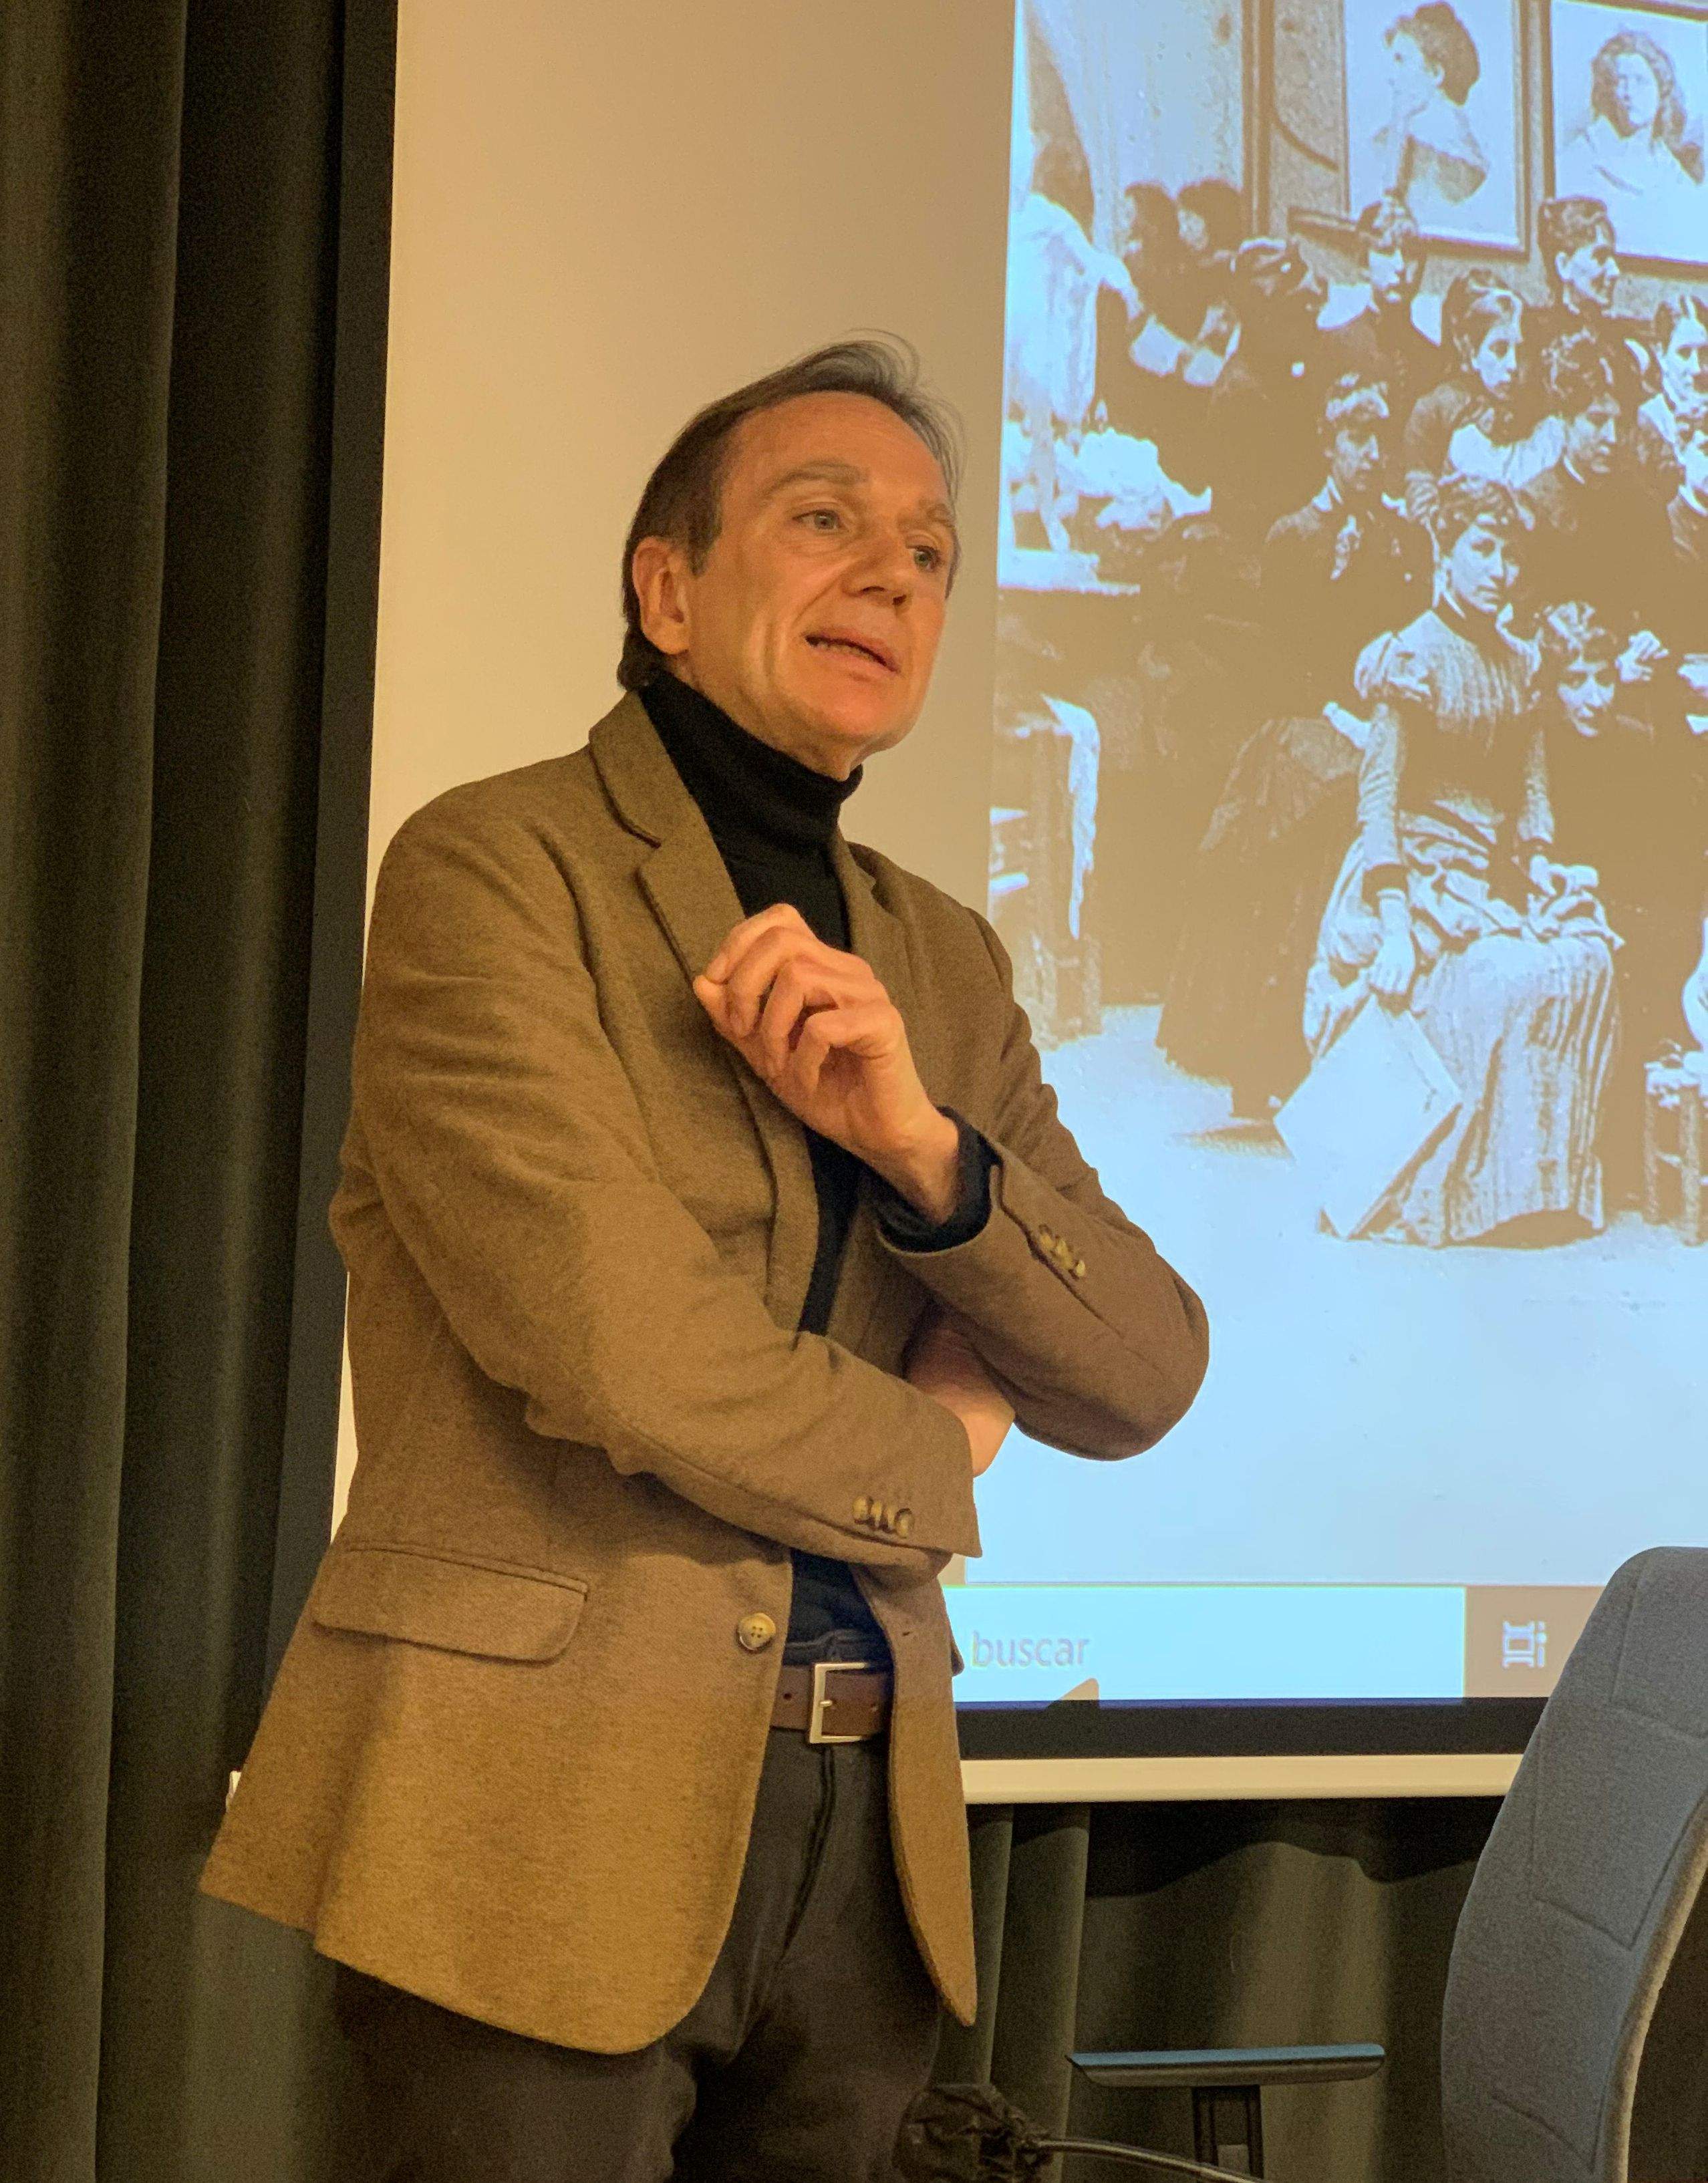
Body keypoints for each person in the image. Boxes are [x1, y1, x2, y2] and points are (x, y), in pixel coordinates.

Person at [197, 341, 1209, 2182]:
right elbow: (611, 1345)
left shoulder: (945, 958)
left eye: (926, 551)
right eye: (823, 522)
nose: (889, 577)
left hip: (863, 1825)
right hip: (530, 1797)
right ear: (666, 589)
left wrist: (920, 1154)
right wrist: (948, 1446)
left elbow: (1140, 1367)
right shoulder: (495, 867)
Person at [1302, 474, 1618, 1246]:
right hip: (1404, 876)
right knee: (1497, 982)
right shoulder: (1410, 656)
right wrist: (1398, 923)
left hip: (1487, 878)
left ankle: (1533, 1193)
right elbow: (1377, 800)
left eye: (1510, 554)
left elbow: (1531, 785)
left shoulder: (1520, 661)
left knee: (1586, 960)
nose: (1499, 570)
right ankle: (1459, 1195)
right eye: (1482, 549)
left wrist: (1540, 860)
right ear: (1446, 551)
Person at [1534, 600, 1707, 1198]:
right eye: (1576, 682)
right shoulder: (1539, 742)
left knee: (1673, 937)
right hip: (1559, 891)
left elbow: (1665, 843)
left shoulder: (1633, 740)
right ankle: (1602, 1156)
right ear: (1552, 684)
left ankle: (1639, 1155)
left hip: (1626, 894)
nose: (1594, 698)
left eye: (1604, 679)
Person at [1261, 375, 1429, 716]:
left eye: (1382, 441)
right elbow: (1284, 660)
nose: (1374, 455)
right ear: (1328, 446)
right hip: (1320, 715)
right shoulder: (1293, 536)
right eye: (1358, 439)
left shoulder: (1403, 533)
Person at [1522, 329, 1675, 668]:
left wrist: (1654, 635)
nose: (1612, 438)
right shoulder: (1535, 507)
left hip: (1643, 671)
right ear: (1565, 419)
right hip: (1569, 682)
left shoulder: (1645, 506)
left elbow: (1666, 601)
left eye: (1621, 424)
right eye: (1597, 421)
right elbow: (1531, 625)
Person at [1401, 273, 1562, 519]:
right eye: (1499, 350)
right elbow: (1421, 502)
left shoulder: (1541, 410)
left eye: (1521, 352)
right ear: (1471, 351)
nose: (1513, 365)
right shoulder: (1437, 409)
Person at [1556, 26, 1705, 243]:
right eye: (1620, 81)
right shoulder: (1581, 156)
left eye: (1640, 81)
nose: (1629, 93)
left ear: (1661, 90)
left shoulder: (1673, 173)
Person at [1320, 194, 1443, 426]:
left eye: (1410, 254)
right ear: (1364, 263)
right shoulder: (1332, 348)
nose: (1400, 267)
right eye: (1387, 252)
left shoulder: (1434, 360)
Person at [1373, 3, 1489, 225]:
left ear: (1436, 73)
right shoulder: (1387, 141)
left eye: (1401, 60)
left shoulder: (1463, 168)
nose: (1391, 76)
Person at [1635, 291, 1708, 499]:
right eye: (1684, 354)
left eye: (1705, 354)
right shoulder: (1646, 423)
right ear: (1661, 353)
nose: (1697, 369)